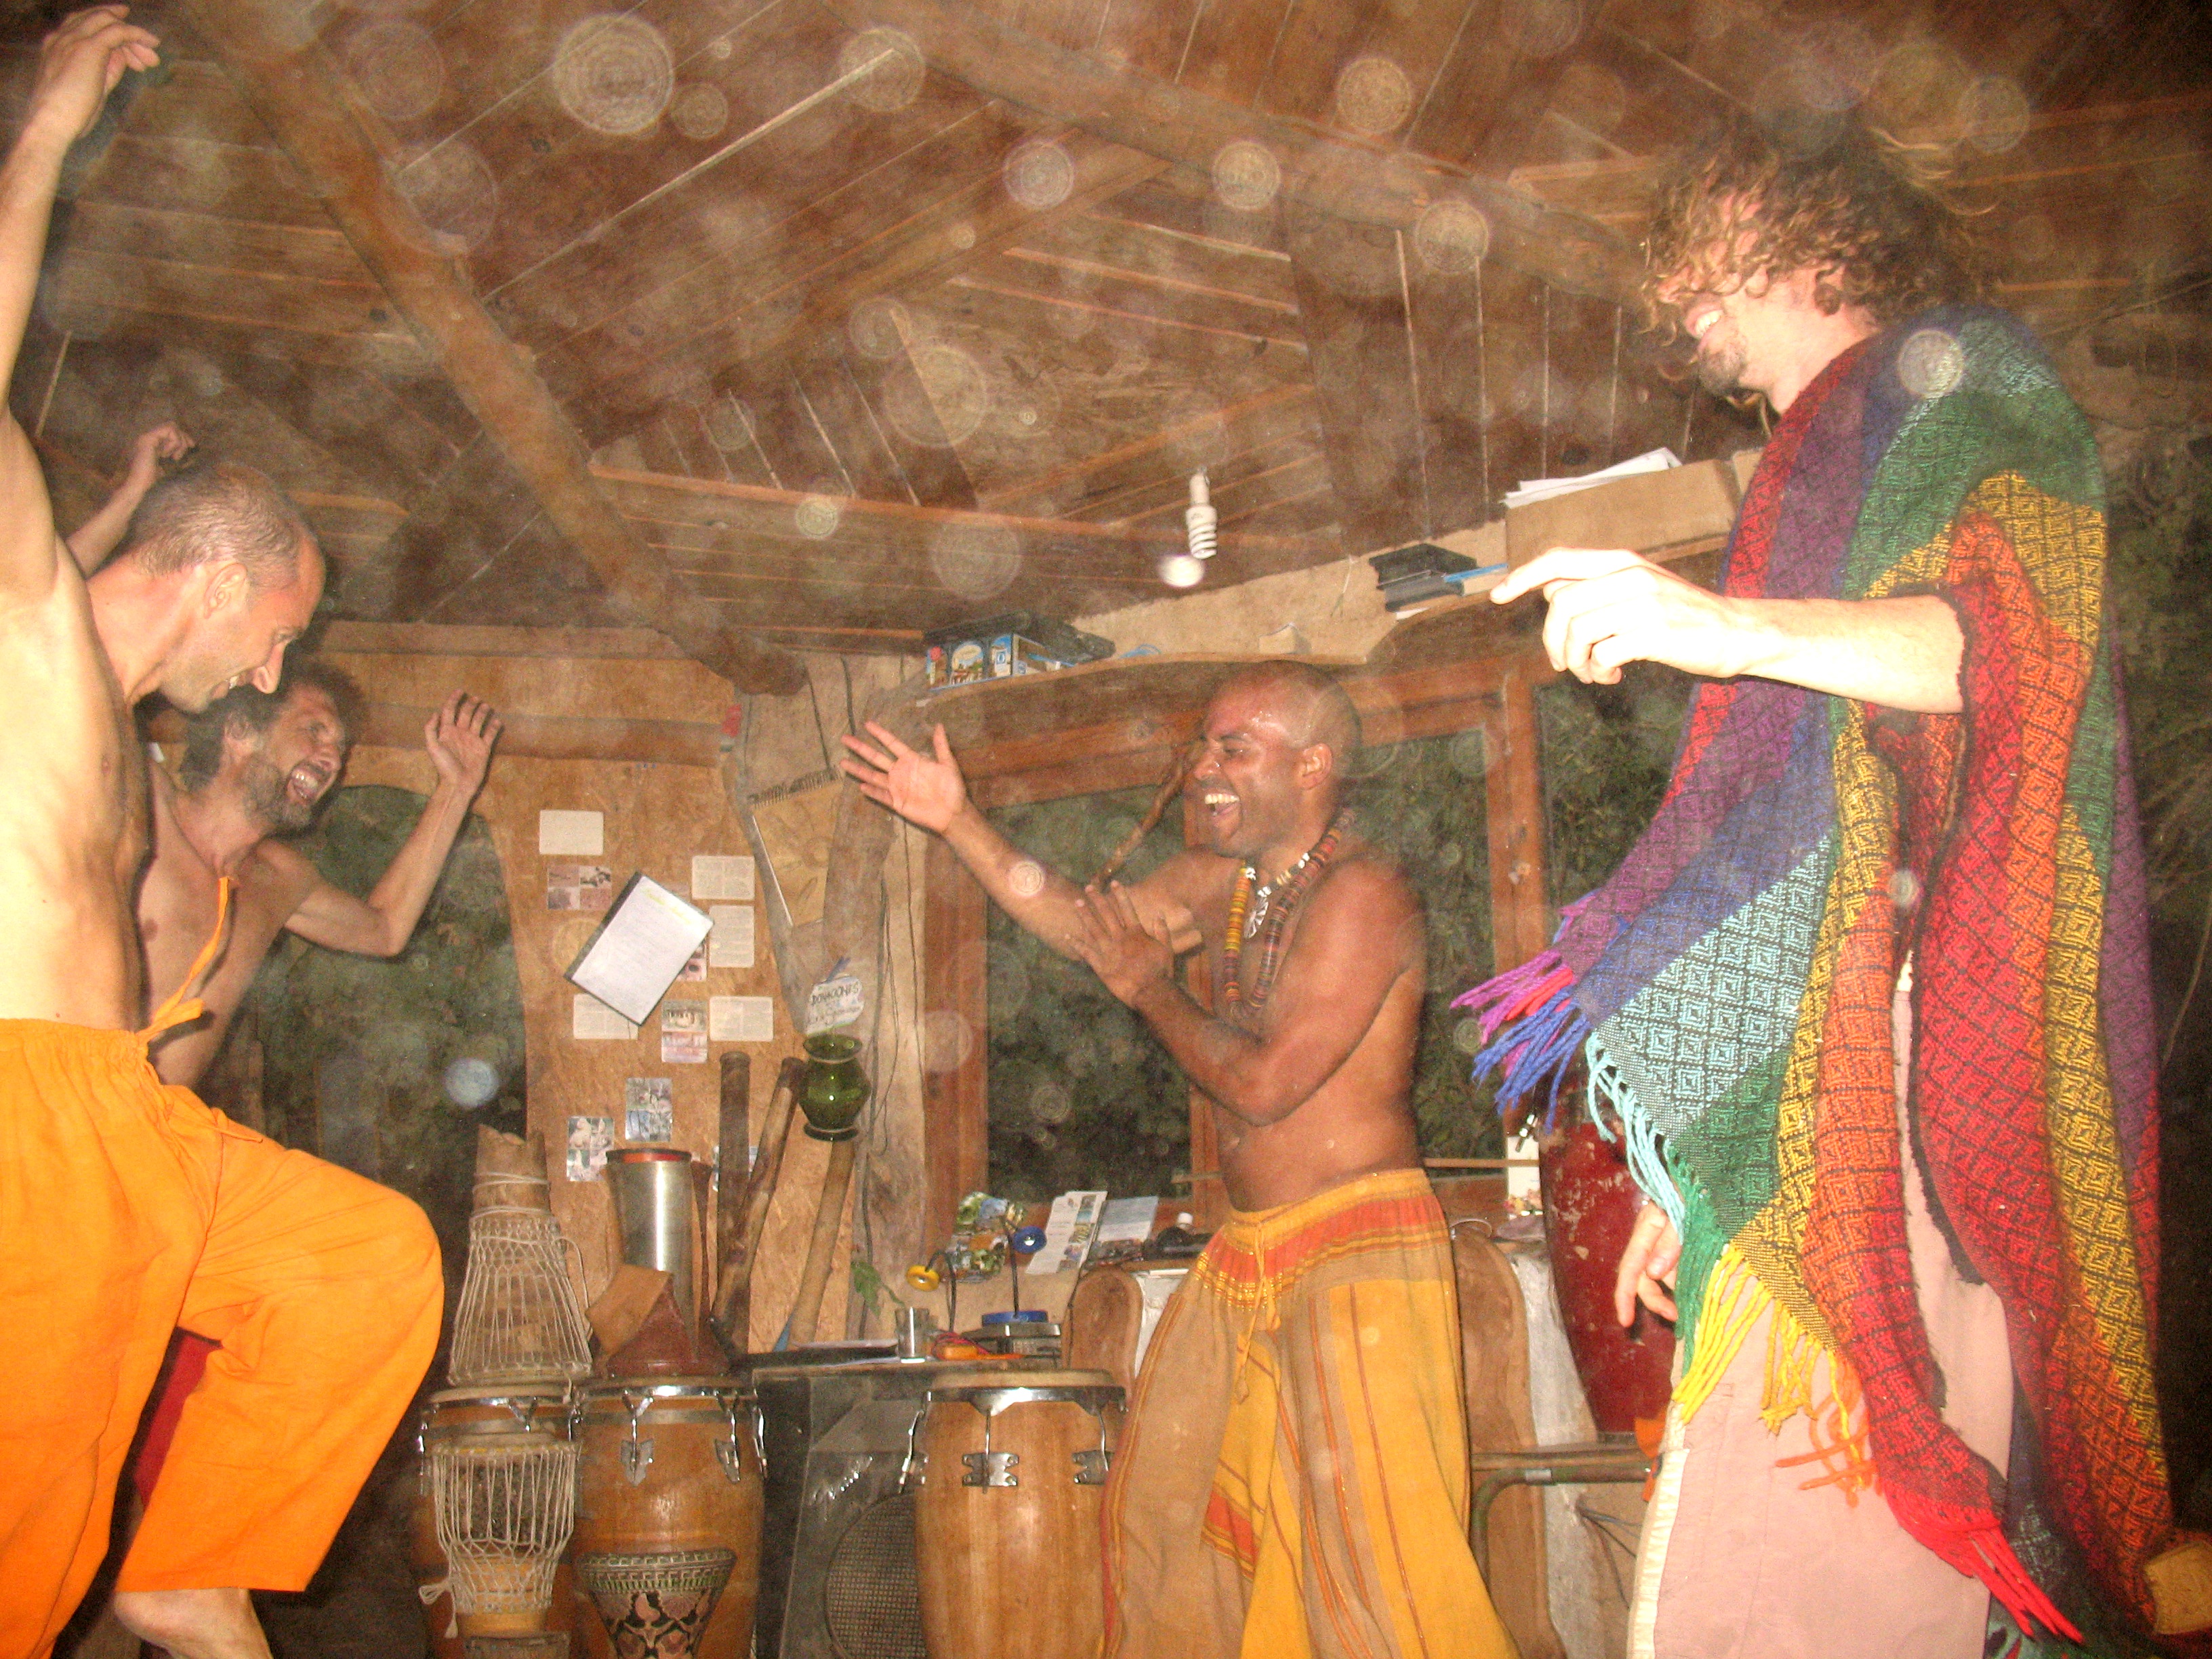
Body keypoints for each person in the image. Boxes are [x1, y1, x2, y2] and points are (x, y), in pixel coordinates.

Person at [1462, 111, 2200, 1654]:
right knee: (1799, 1565)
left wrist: (1716, 624)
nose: (1679, 308)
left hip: (1941, 1066)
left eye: (1698, 259)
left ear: (1808, 231)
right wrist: (1709, 1163)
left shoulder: (1959, 377)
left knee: (1813, 1575)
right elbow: (1815, 843)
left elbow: (2004, 649)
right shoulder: (1816, 448)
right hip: (1840, 1080)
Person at [0, 12, 441, 1658]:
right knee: (24, 1547)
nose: (272, 670)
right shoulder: (28, 631)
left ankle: (191, 1567)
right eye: (280, 630)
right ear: (216, 576)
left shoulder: (123, 741)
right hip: (24, 1112)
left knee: (365, 1259)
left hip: (125, 1115)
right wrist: (49, 136)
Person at [842, 662, 1513, 1659]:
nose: (1203, 768)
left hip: (1356, 1258)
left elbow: (1264, 1086)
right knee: (1180, 1526)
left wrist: (1153, 990)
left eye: (1233, 748)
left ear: (1312, 765)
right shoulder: (1225, 886)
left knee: (1379, 1570)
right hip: (1252, 1255)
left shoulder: (1364, 895)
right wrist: (958, 821)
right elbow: (1086, 930)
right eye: (1203, 745)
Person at [139, 666, 503, 1090]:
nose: (334, 762)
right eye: (314, 731)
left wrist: (456, 789)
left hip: (163, 1120)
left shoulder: (277, 879)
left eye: (341, 750)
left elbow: (386, 930)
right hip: (80, 1106)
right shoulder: (148, 813)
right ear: (240, 732)